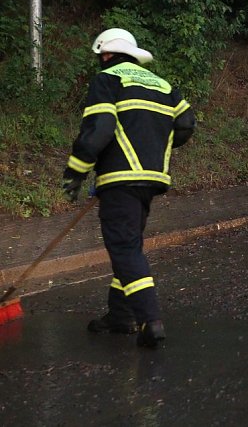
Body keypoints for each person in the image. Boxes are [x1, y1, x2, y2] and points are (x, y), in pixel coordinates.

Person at [62, 28, 196, 348]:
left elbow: (99, 128)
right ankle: (120, 315)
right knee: (130, 245)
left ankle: (151, 321)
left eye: (101, 57)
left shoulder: (107, 80)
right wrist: (155, 148)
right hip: (151, 178)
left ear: (107, 55)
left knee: (123, 248)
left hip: (120, 179)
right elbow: (186, 124)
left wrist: (76, 171)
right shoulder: (164, 85)